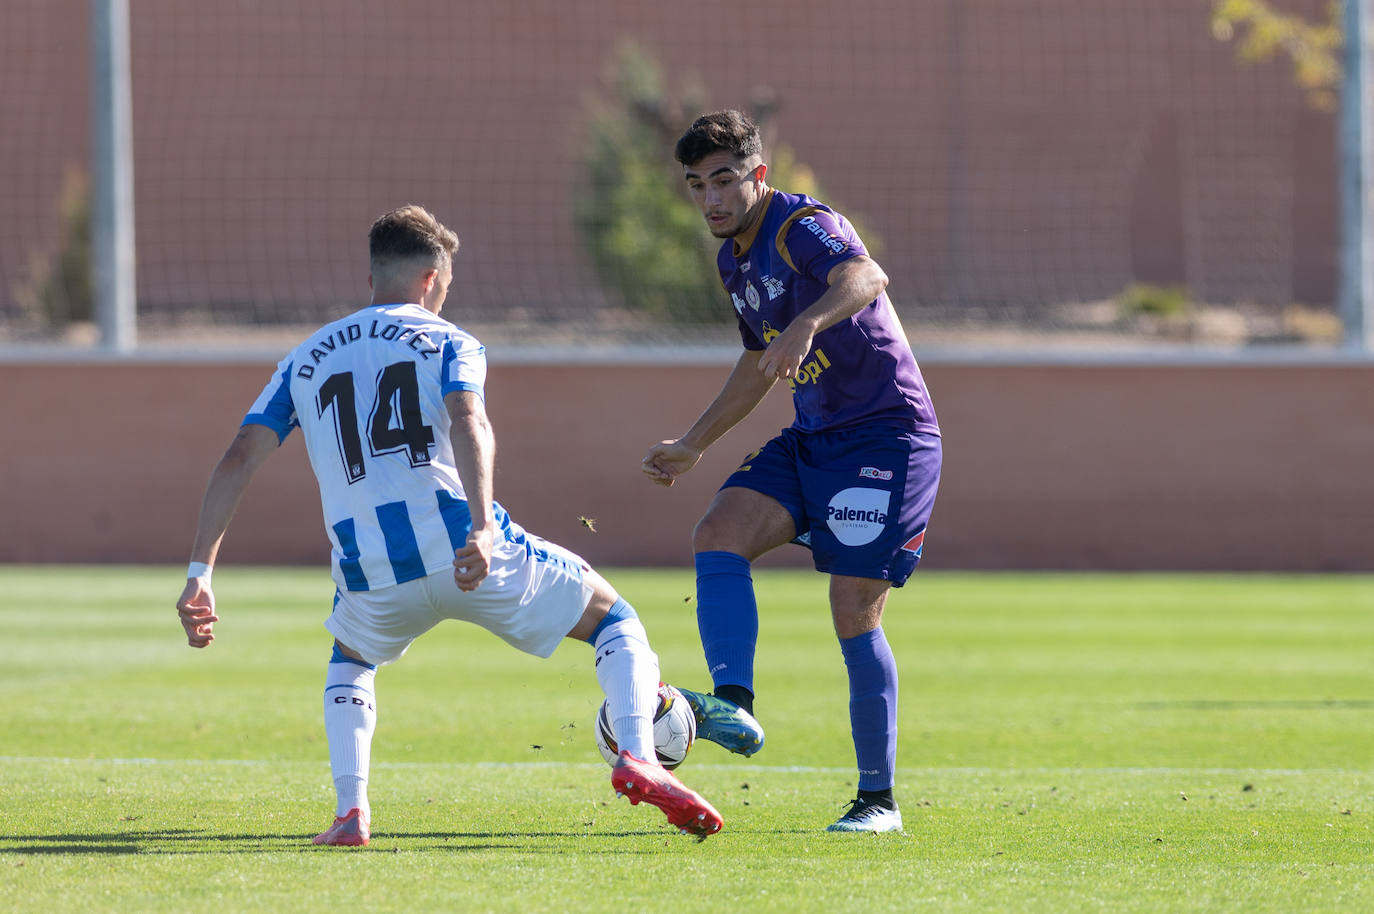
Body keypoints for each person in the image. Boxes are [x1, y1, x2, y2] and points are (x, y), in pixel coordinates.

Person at [177, 205, 722, 845]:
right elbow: (470, 421)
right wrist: (485, 529)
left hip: (371, 572)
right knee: (615, 620)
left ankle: (351, 813)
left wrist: (200, 573)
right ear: (433, 278)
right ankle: (639, 753)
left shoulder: (304, 358)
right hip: (464, 547)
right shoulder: (450, 341)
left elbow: (240, 453)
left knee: (350, 661)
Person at [642, 110, 941, 833]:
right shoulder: (732, 261)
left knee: (852, 609)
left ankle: (879, 803)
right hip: (813, 437)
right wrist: (695, 442)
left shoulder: (798, 225)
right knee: (718, 534)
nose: (711, 198)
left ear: (758, 175)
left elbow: (866, 275)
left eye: (724, 180)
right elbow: (756, 363)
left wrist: (807, 323)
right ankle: (734, 706)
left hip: (885, 436)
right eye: (696, 185)